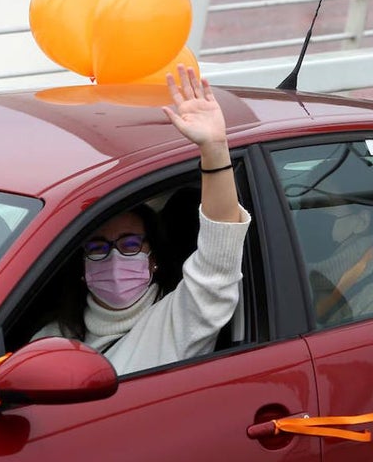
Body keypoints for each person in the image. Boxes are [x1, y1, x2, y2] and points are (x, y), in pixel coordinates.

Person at [33, 65, 252, 375]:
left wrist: (214, 149)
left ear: (153, 259)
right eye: (98, 247)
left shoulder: (180, 319)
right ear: (82, 266)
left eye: (130, 244)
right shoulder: (51, 340)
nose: (113, 257)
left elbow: (220, 256)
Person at [290, 148, 373, 326]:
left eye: (321, 205)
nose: (308, 214)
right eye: (304, 205)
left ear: (361, 222)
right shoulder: (289, 273)